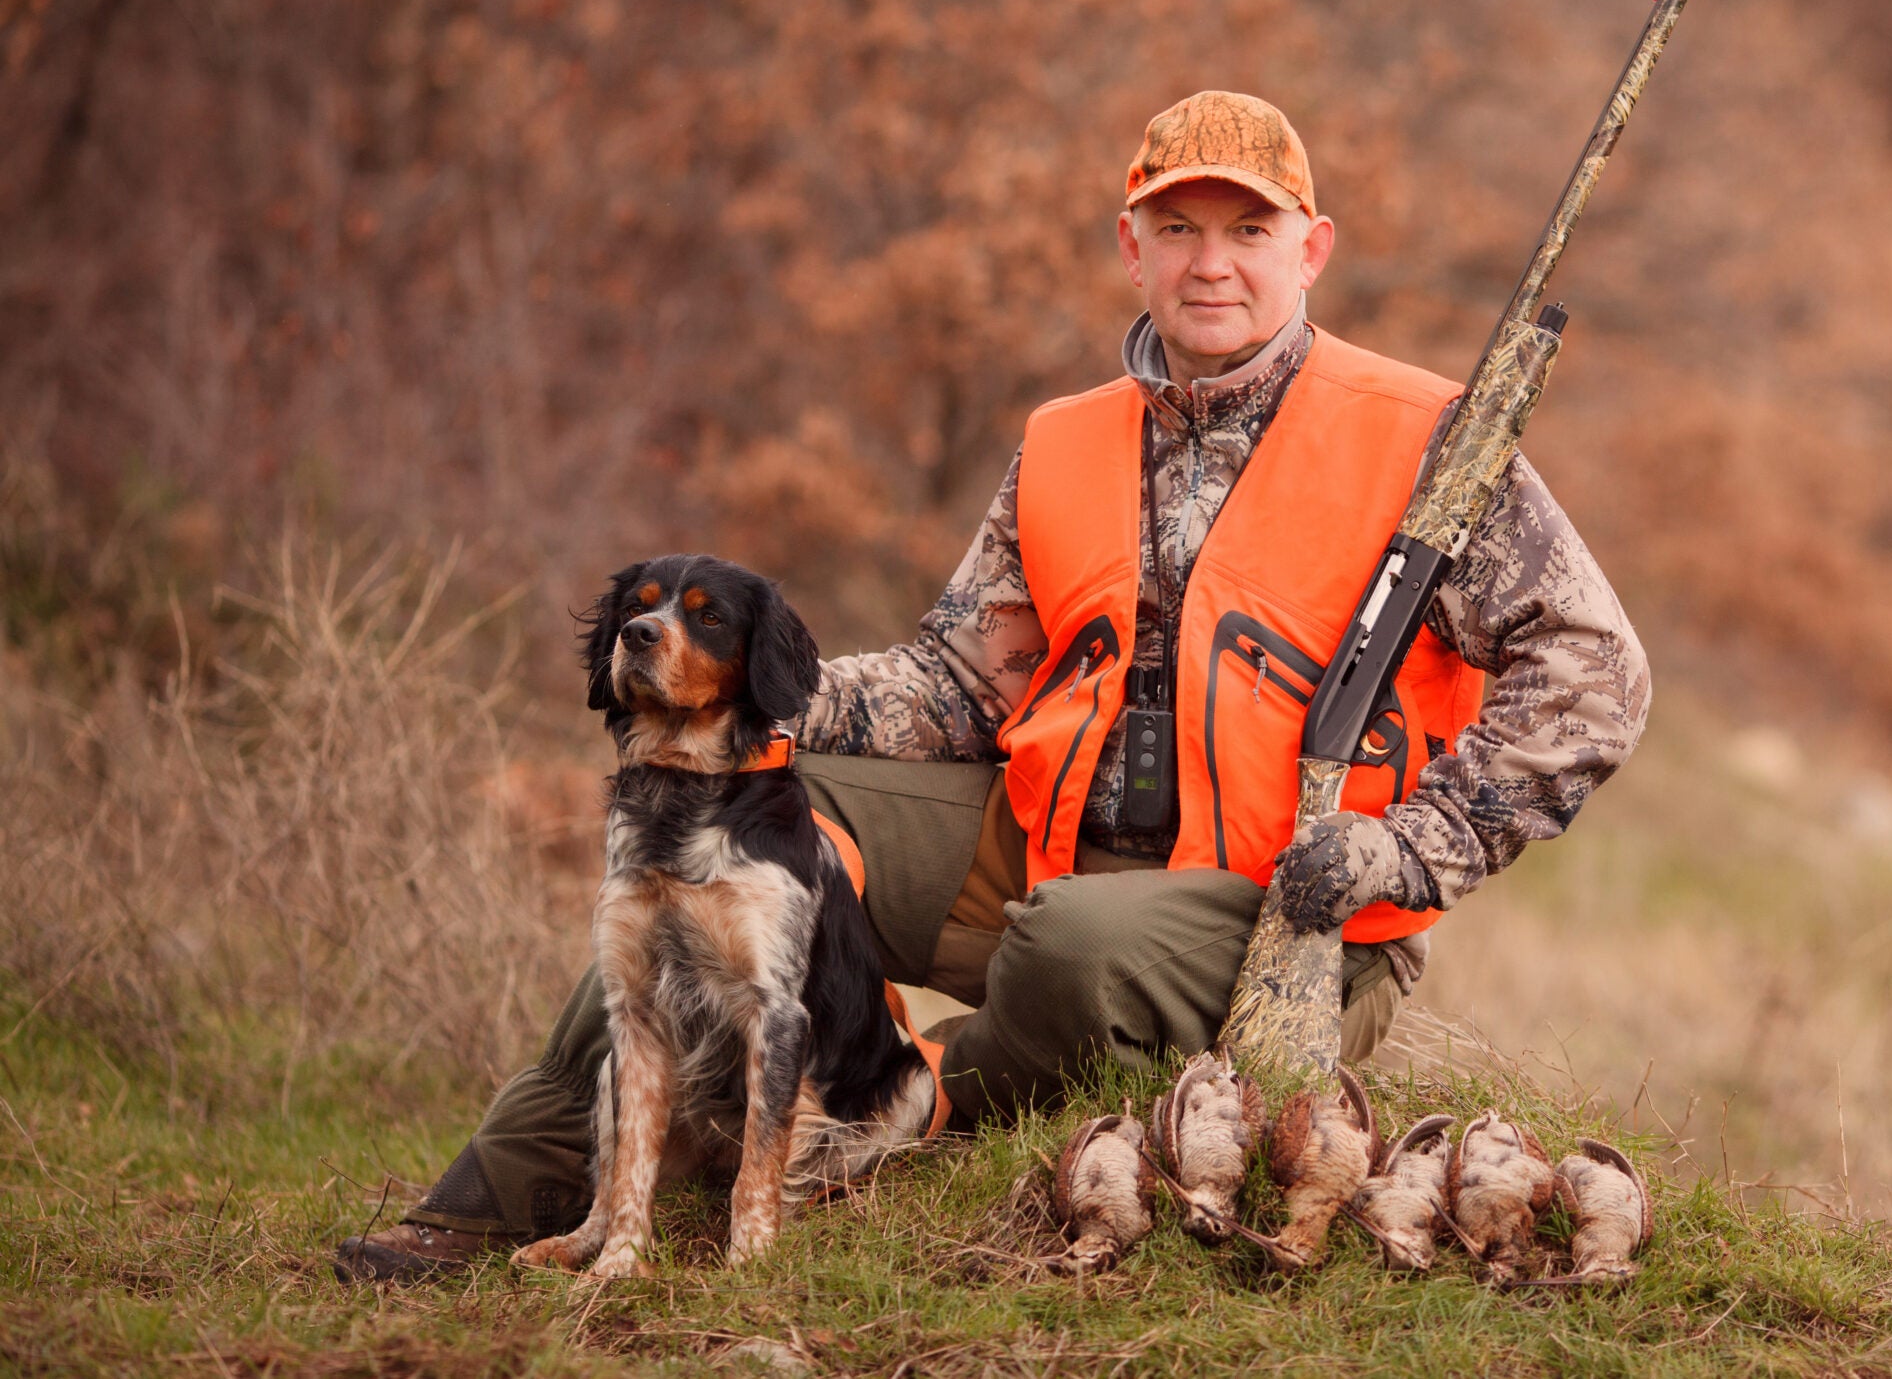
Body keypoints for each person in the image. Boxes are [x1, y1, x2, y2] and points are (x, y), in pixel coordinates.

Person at [333, 90, 1650, 1280]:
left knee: (1070, 949)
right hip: (1035, 855)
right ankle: (492, 1203)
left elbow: (1598, 669)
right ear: (1130, 249)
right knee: (724, 816)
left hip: (1280, 912)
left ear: (1310, 250)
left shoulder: (1425, 437)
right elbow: (965, 678)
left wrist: (1411, 848)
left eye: (1246, 232)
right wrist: (782, 702)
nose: (1210, 263)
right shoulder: (1065, 444)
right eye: (1177, 229)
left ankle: (888, 1112)